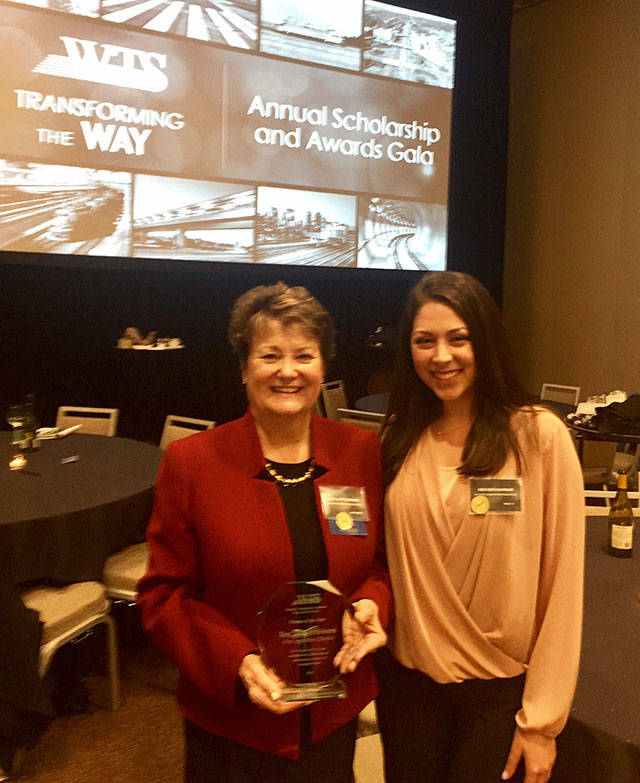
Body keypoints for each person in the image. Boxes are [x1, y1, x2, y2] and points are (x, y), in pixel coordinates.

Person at [137, 282, 391, 783]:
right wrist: (236, 662)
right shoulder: (193, 463)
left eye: (304, 355)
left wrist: (372, 605)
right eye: (270, 355)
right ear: (244, 367)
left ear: (323, 366)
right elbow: (163, 595)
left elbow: (380, 564)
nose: (288, 371)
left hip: (331, 713)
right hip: (234, 723)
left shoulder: (360, 452)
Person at [376, 271, 584, 783]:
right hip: (407, 687)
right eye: (425, 341)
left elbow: (563, 587)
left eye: (458, 338)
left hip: (497, 694)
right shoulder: (401, 437)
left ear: (484, 342)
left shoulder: (537, 436)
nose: (441, 356)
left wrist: (541, 723)